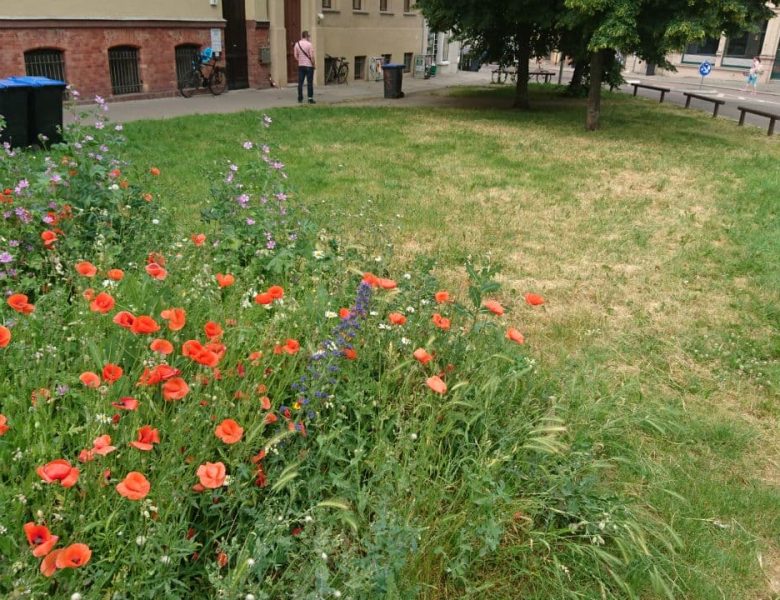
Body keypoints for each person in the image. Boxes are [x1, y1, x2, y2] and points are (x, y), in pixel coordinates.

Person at [294, 31, 316, 104]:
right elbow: (312, 56)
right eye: (309, 36)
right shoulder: (309, 45)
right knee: (309, 83)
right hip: (309, 66)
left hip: (301, 66)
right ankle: (310, 98)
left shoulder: (297, 44)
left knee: (300, 83)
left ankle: (300, 98)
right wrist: (313, 64)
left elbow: (295, 55)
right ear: (306, 36)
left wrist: (300, 60)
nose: (309, 38)